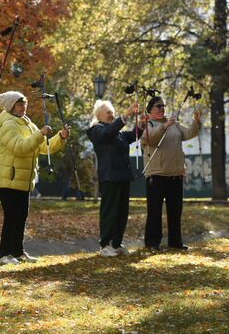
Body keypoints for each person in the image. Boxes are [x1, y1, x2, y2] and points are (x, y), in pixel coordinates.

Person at [0, 91, 70, 265]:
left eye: (25, 103)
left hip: (24, 180)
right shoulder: (8, 125)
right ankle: (4, 255)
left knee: (21, 216)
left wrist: (60, 137)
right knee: (12, 217)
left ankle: (17, 252)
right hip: (9, 178)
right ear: (12, 106)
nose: (24, 106)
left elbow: (43, 148)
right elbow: (20, 148)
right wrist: (40, 133)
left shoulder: (28, 124)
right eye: (20, 104)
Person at [141, 96, 201, 251]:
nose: (162, 108)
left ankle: (175, 242)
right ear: (150, 110)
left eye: (163, 106)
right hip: (156, 174)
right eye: (158, 106)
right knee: (154, 211)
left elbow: (189, 134)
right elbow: (149, 139)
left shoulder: (174, 125)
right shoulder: (148, 125)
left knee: (175, 211)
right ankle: (152, 243)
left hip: (175, 174)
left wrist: (196, 121)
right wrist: (164, 126)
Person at [86, 100, 140, 257]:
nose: (111, 115)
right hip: (109, 176)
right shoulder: (96, 130)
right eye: (108, 112)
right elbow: (107, 134)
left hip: (123, 175)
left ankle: (116, 243)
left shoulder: (117, 132)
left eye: (112, 112)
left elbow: (131, 136)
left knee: (122, 212)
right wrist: (126, 114)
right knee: (109, 211)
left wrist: (142, 125)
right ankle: (105, 245)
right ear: (99, 115)